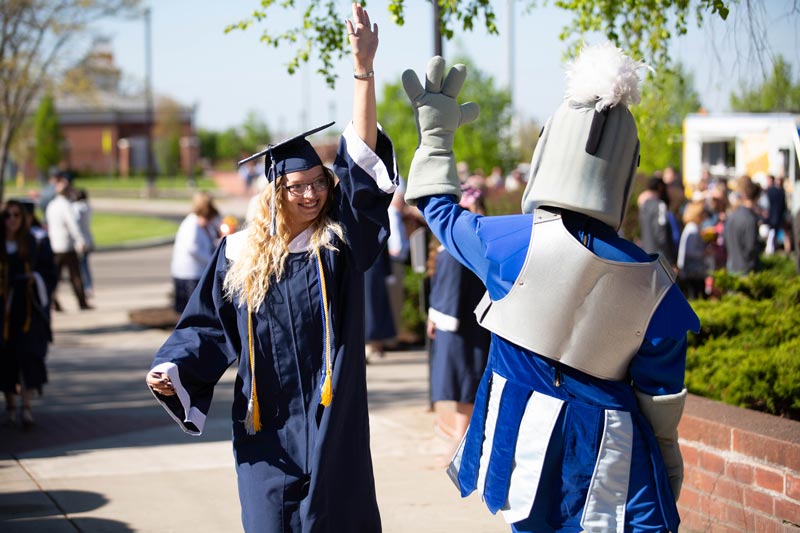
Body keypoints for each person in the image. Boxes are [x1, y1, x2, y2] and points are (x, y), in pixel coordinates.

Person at [402, 44, 699, 532]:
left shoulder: (505, 242)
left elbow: (440, 213)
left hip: (520, 431)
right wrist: (666, 468)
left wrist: (436, 141)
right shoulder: (655, 286)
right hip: (612, 446)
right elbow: (659, 397)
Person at [146, 5, 395, 531]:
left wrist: (363, 71)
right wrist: (173, 370)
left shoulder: (337, 246)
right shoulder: (238, 255)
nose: (311, 194)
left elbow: (363, 165)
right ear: (274, 192)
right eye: (297, 186)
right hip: (267, 433)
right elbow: (206, 326)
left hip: (333, 426)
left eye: (318, 183)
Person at [427, 185, 490, 462]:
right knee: (461, 383)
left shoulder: (455, 251)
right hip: (460, 323)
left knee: (464, 381)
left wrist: (439, 316)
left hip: (462, 327)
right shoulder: (451, 249)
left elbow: (450, 292)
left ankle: (462, 437)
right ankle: (460, 435)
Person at [1, 200, 58, 428]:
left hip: (28, 311)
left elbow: (50, 272)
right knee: (5, 359)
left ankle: (26, 407)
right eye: (7, 215)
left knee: (30, 357)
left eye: (16, 215)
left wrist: (35, 279)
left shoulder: (35, 242)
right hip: (4, 312)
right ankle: (11, 406)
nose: (12, 220)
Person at [45, 172, 91, 310]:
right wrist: (80, 240)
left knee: (55, 276)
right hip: (66, 245)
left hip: (54, 244)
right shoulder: (66, 206)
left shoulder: (51, 205)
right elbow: (73, 225)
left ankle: (53, 300)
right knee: (75, 275)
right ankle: (81, 301)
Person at [170, 191, 222, 314]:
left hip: (198, 273)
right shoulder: (191, 224)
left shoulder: (205, 225)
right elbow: (192, 248)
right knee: (191, 311)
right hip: (189, 274)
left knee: (200, 310)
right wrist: (211, 260)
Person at [725, 175, 763, 275]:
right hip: (745, 269)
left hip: (732, 265)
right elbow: (751, 247)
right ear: (757, 198)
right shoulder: (750, 219)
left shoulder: (733, 215)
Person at [638, 175, 677, 267]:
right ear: (660, 187)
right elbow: (661, 234)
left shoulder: (644, 205)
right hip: (660, 258)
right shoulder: (660, 205)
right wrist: (670, 260)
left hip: (646, 255)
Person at [677, 201, 709, 299]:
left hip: (691, 270)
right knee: (696, 296)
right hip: (693, 271)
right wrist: (704, 253)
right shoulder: (692, 230)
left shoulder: (690, 228)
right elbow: (690, 251)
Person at [71, 188, 95, 298]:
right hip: (88, 238)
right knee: (85, 264)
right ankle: (89, 286)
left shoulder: (76, 208)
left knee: (81, 266)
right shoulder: (88, 207)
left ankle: (84, 287)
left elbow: (75, 224)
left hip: (81, 241)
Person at [764, 174, 787, 255]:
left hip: (772, 216)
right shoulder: (781, 192)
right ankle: (771, 250)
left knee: (771, 234)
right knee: (772, 235)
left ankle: (770, 251)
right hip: (776, 216)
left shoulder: (771, 191)